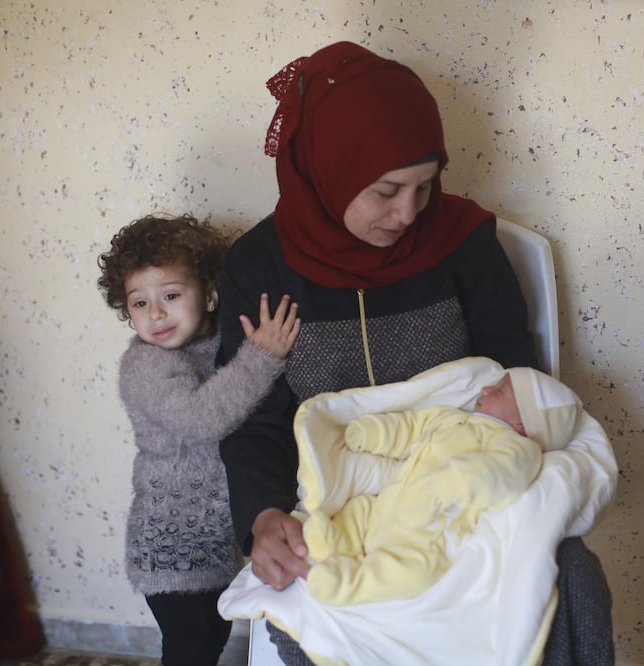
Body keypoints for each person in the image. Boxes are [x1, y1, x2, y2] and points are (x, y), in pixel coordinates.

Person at [217, 41, 614, 665]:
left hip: (465, 478)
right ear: (331, 167)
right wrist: (264, 517)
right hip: (338, 498)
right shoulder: (260, 267)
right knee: (311, 613)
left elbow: (515, 375)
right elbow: (253, 421)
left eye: (424, 188)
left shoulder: (462, 243)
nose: (407, 214)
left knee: (575, 581)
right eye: (385, 191)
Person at [97, 214, 300, 665]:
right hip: (172, 549)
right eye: (139, 303)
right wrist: (263, 355)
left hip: (214, 544)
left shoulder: (219, 343)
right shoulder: (146, 366)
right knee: (191, 650)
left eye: (171, 295)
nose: (156, 314)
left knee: (209, 642)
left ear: (209, 293)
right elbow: (202, 419)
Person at [304, 367, 583, 606]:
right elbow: (410, 427)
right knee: (361, 508)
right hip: (390, 502)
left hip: (430, 530)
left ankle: (349, 585)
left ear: (522, 423)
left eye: (499, 391)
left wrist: (449, 484)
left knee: (414, 572)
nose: (485, 389)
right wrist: (373, 432)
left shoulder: (516, 446)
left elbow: (503, 475)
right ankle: (336, 543)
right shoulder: (450, 418)